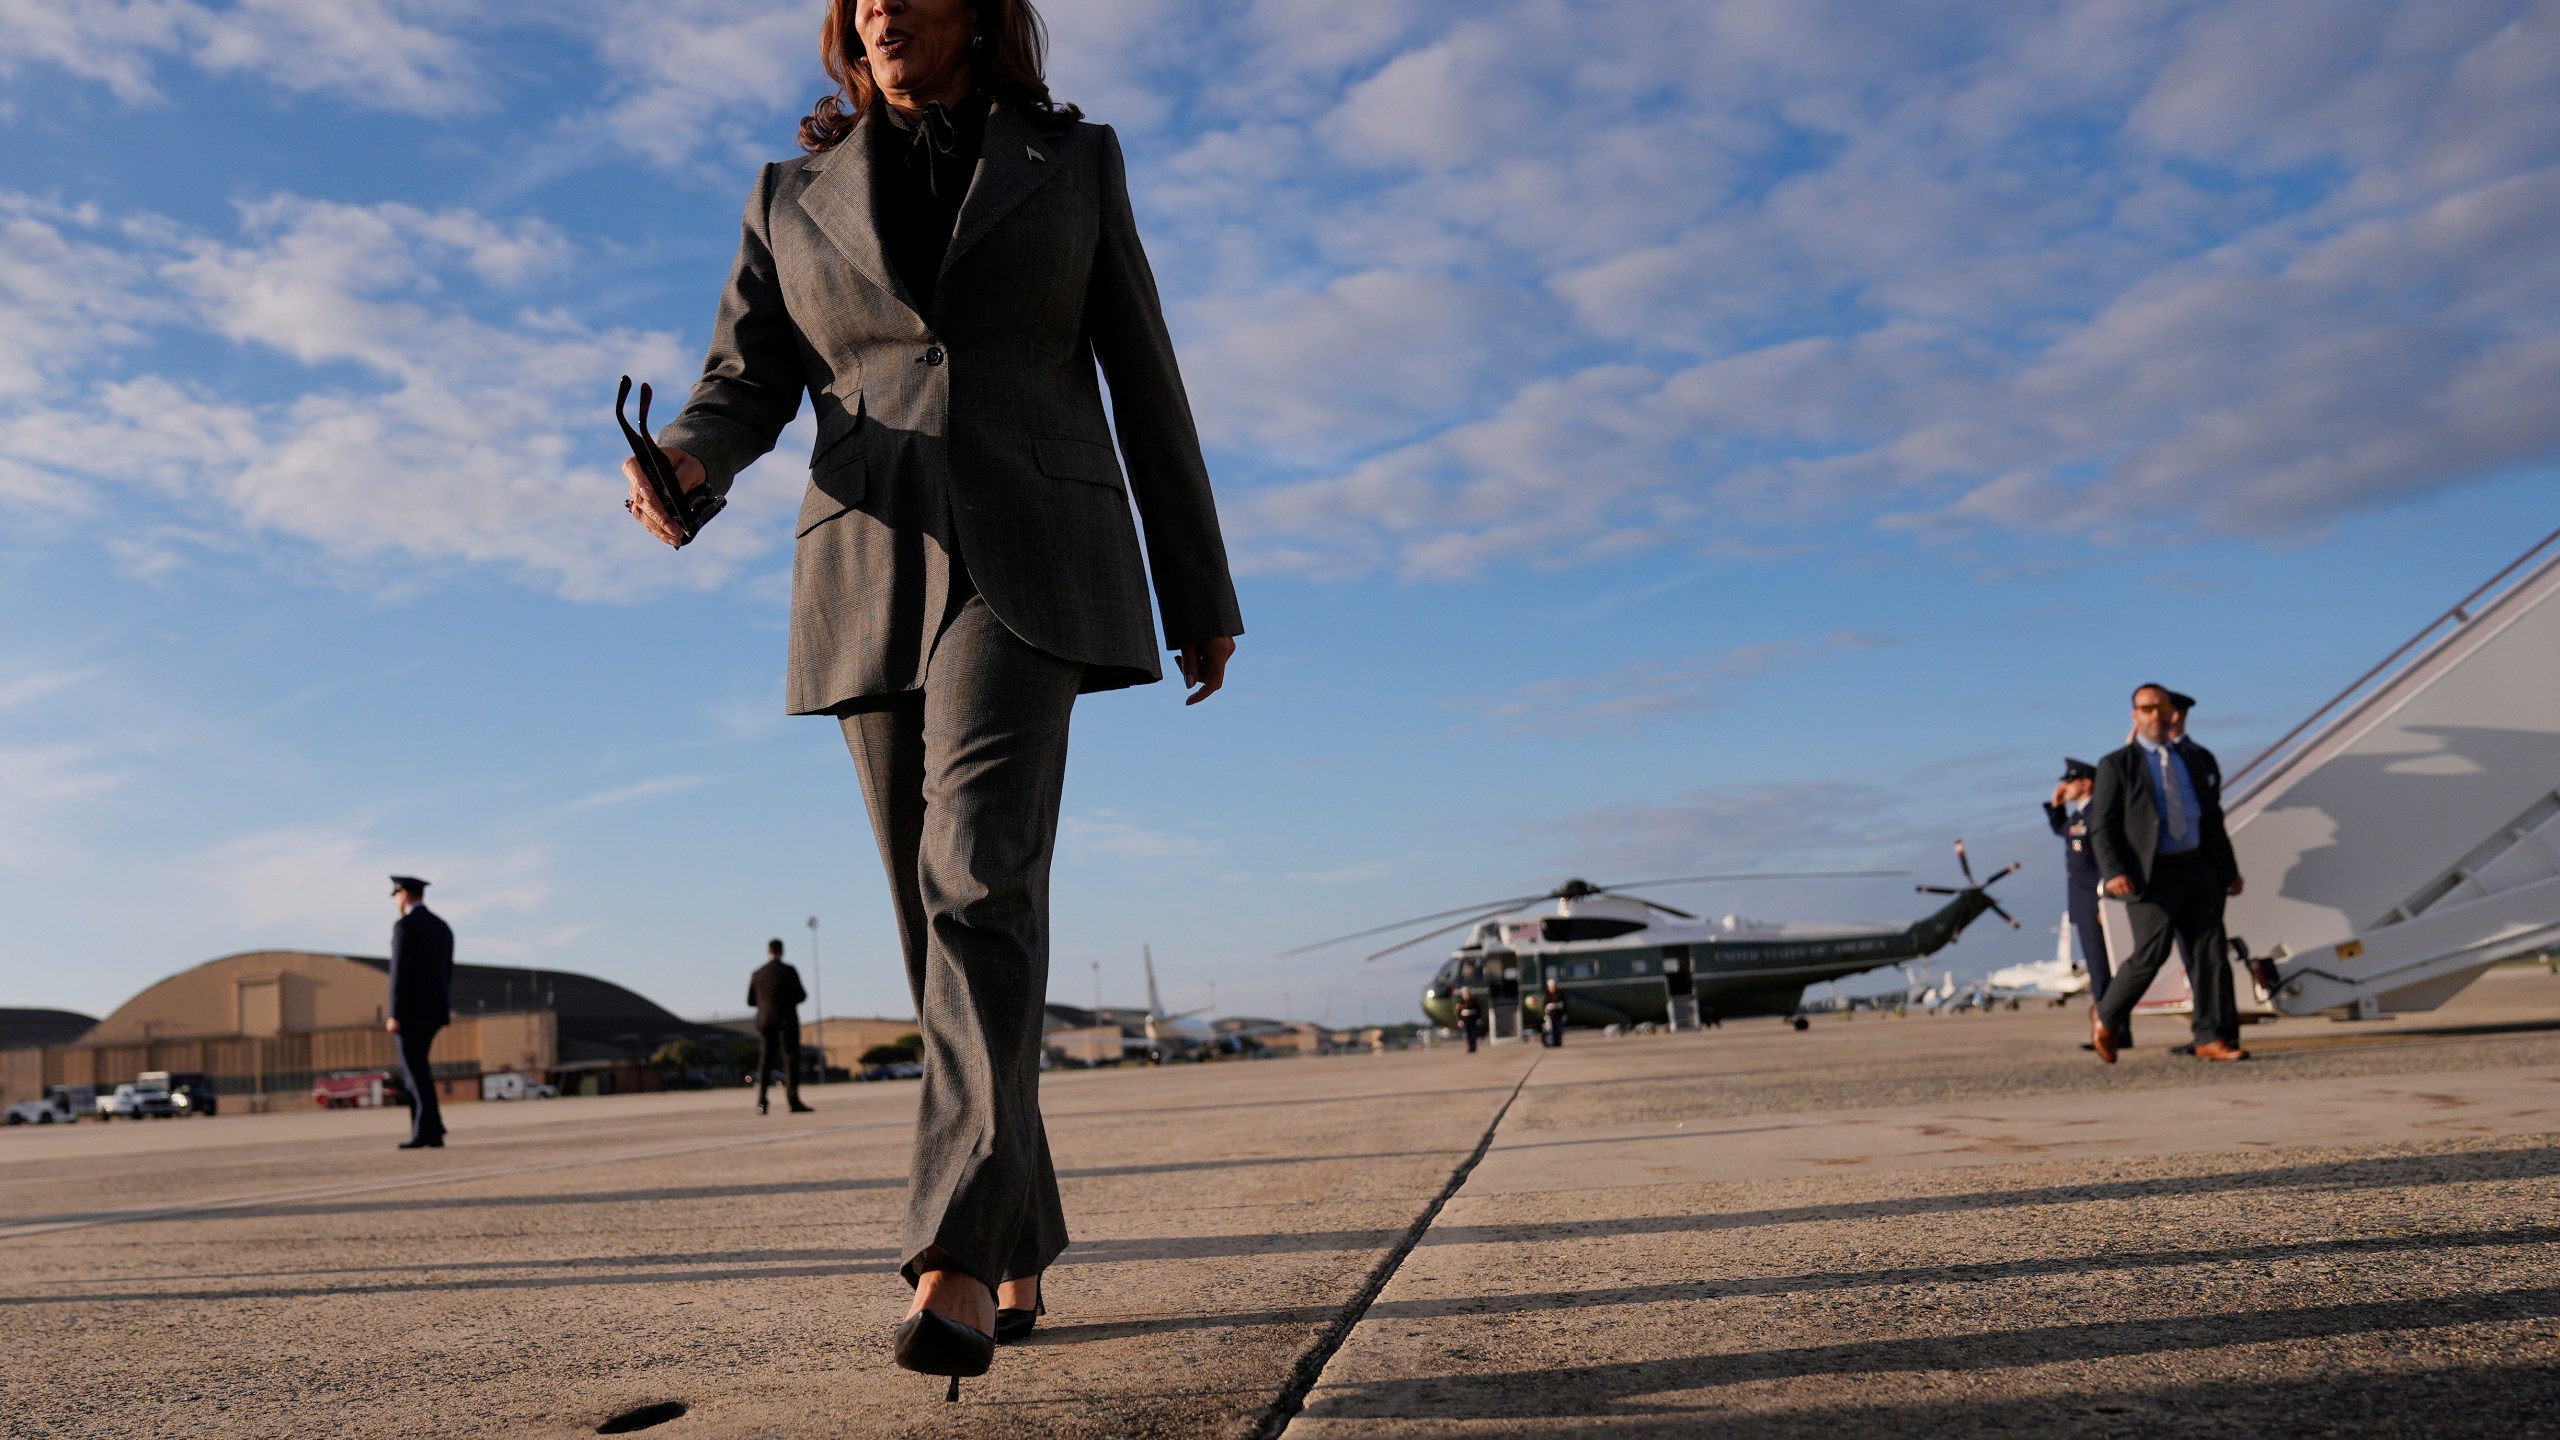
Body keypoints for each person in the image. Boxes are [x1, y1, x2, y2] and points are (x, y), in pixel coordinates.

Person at [624, 0, 1242, 1396]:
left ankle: (952, 1255)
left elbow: (1144, 371)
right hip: (867, 562)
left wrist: (1197, 584)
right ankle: (1019, 1222)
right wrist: (688, 466)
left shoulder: (1071, 162)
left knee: (977, 873)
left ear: (979, 9)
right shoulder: (790, 196)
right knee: (927, 914)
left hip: (1034, 550)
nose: (883, 6)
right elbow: (745, 380)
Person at [2087, 685, 2247, 1063]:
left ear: (2172, 712)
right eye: (2147, 709)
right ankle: (2107, 1015)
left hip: (2199, 869)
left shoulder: (2196, 759)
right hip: (2151, 876)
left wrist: (2228, 869)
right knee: (2150, 954)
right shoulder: (2116, 764)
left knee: (2210, 954)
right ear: (2135, 716)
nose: (2155, 715)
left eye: (2162, 707)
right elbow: (2102, 826)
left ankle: (2211, 1036)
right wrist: (2113, 871)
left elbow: (2211, 818)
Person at [2044, 758, 2120, 1051]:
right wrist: (2055, 806)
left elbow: (2104, 860)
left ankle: (2112, 1030)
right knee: (2099, 969)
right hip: (2084, 904)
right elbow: (2063, 831)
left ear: (2087, 783)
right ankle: (2111, 1029)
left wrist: (2106, 903)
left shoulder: (2096, 814)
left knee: (2103, 969)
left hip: (2097, 903)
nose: (2064, 786)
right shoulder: (2078, 817)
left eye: (2070, 781)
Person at [385, 876, 454, 1149]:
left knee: (414, 1072)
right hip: (436, 1009)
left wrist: (395, 1013)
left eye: (396, 896)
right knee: (420, 1069)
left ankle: (425, 1131)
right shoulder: (442, 927)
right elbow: (447, 972)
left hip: (412, 1013)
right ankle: (431, 1129)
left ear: (403, 894)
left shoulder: (405, 927)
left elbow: (399, 974)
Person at [749, 939, 815, 1116]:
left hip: (766, 1021)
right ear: (781, 951)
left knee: (765, 1062)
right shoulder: (788, 971)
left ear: (768, 951)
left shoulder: (757, 974)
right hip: (786, 1021)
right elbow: (801, 995)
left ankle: (761, 1102)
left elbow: (750, 1001)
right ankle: (793, 1101)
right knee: (791, 1059)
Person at [1455, 985, 1484, 1053]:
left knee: (1473, 1034)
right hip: (1466, 1021)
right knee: (1468, 1035)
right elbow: (1459, 1012)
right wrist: (1460, 1020)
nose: (1466, 995)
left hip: (1473, 1020)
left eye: (1467, 994)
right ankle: (1470, 1047)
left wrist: (1479, 1018)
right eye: (1464, 994)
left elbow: (1478, 1010)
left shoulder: (1474, 1001)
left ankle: (1474, 1047)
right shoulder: (1460, 1003)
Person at [1541, 978, 1568, 1048]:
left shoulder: (1560, 994)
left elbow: (1564, 1004)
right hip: (1550, 1015)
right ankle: (1553, 1043)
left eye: (1554, 986)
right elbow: (1544, 1005)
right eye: (1551, 986)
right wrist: (1544, 1015)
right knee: (1551, 1030)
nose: (1553, 988)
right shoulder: (1546, 995)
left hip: (1558, 1014)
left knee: (1558, 1029)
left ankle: (1558, 1042)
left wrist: (1564, 1014)